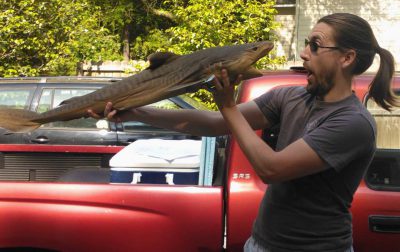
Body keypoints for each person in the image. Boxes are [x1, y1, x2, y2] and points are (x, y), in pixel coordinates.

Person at [88, 13, 399, 252]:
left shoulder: (351, 123)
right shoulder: (290, 97)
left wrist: (228, 106)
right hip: (262, 243)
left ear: (347, 58)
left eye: (315, 45)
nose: (305, 53)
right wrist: (137, 112)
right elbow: (214, 123)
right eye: (306, 42)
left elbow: (272, 168)